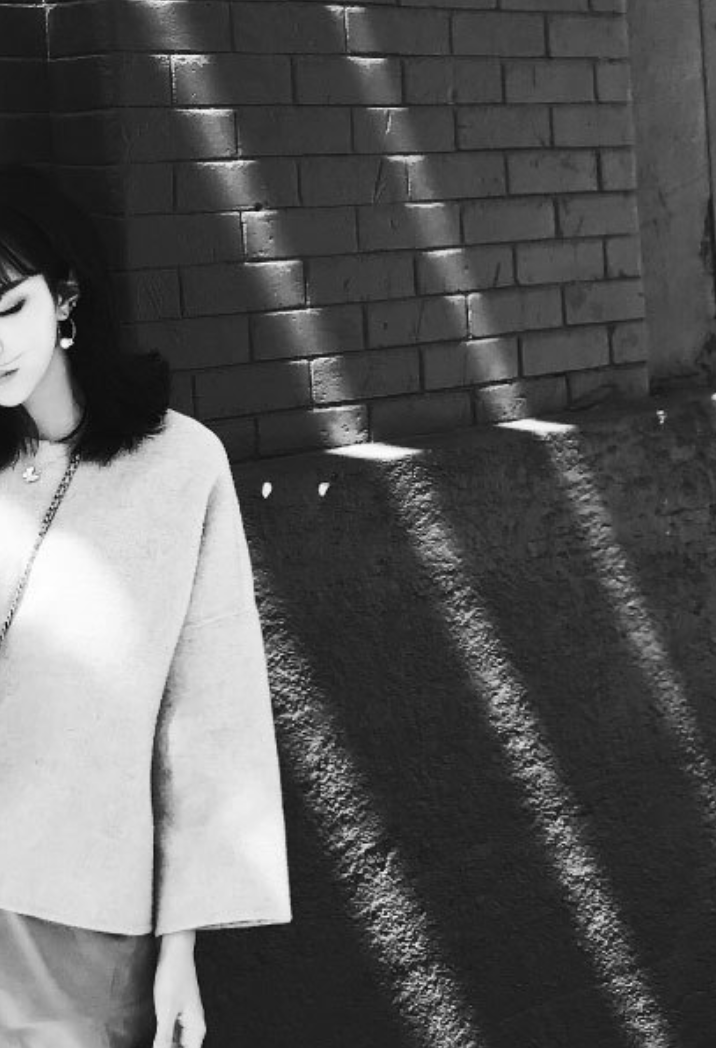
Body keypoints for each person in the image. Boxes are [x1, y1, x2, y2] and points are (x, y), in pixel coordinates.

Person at [0, 166, 292, 1048]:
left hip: (79, 922)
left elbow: (208, 721)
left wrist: (181, 948)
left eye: (8, 308)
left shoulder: (179, 467)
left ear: (65, 296)